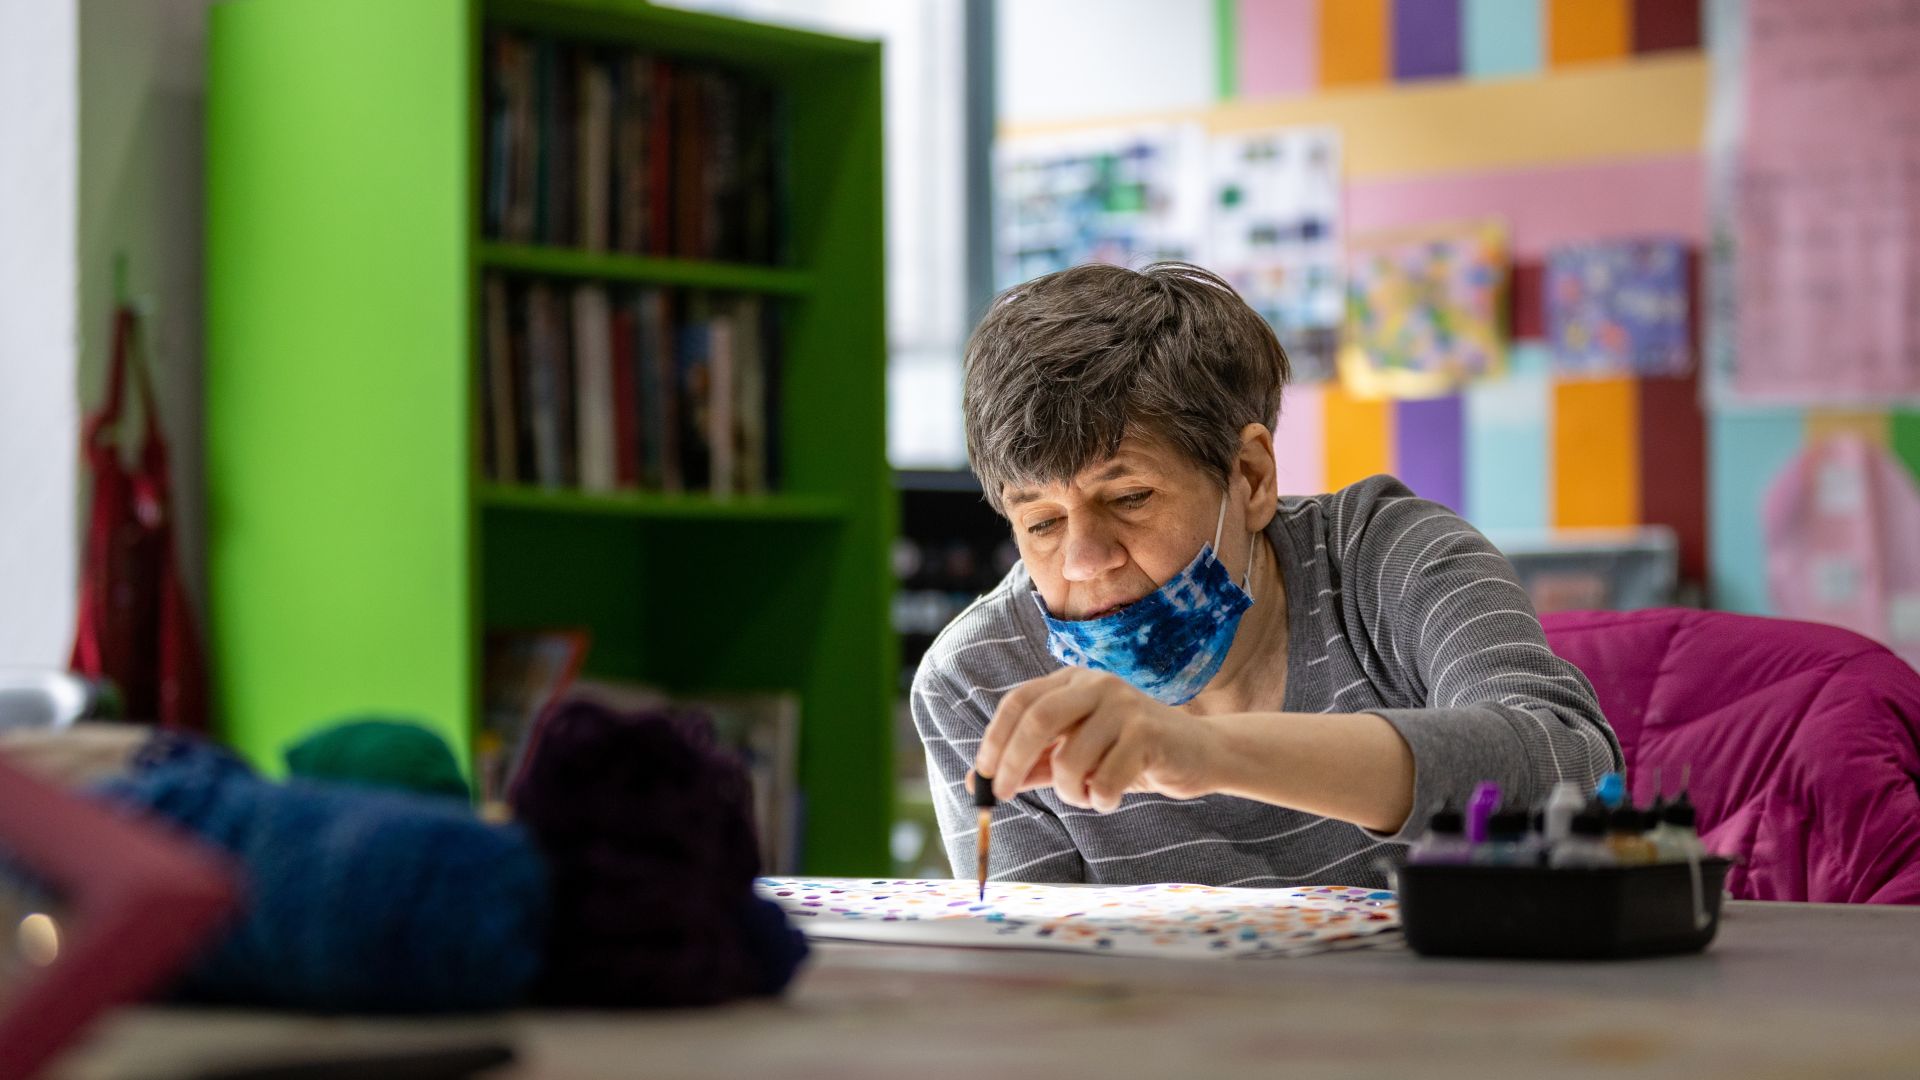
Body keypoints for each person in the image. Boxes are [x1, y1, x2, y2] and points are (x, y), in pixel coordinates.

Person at [911, 262, 1622, 888]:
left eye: (1129, 498)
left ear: (1250, 477)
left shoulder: (1391, 559)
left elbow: (1576, 769)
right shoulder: (980, 680)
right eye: (1041, 522)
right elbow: (1036, 977)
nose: (1084, 560)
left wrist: (1205, 753)